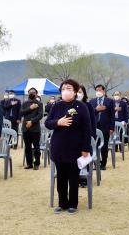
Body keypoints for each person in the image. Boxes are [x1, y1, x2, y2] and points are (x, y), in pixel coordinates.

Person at [45, 79, 91, 214]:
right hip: (58, 146)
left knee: (73, 177)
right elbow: (48, 123)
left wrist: (85, 148)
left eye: (69, 88)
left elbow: (86, 129)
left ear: (75, 91)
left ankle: (73, 204)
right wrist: (58, 122)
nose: (66, 90)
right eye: (64, 88)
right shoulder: (57, 106)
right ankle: (62, 203)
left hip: (75, 148)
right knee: (61, 177)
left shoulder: (81, 107)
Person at [89, 85, 115, 170]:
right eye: (97, 90)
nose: (98, 92)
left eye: (100, 90)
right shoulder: (92, 101)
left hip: (105, 127)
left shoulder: (109, 101)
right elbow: (89, 114)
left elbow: (112, 116)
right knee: (94, 145)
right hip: (94, 127)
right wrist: (97, 109)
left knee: (104, 146)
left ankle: (103, 164)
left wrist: (112, 128)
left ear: (104, 91)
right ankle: (95, 163)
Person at [20, 88, 44, 170]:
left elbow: (40, 115)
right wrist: (30, 108)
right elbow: (21, 113)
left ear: (36, 94)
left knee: (36, 147)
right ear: (28, 94)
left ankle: (36, 163)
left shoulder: (39, 104)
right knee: (27, 147)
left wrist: (32, 122)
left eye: (33, 92)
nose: (32, 93)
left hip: (35, 128)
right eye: (30, 92)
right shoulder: (24, 103)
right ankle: (29, 163)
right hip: (25, 128)